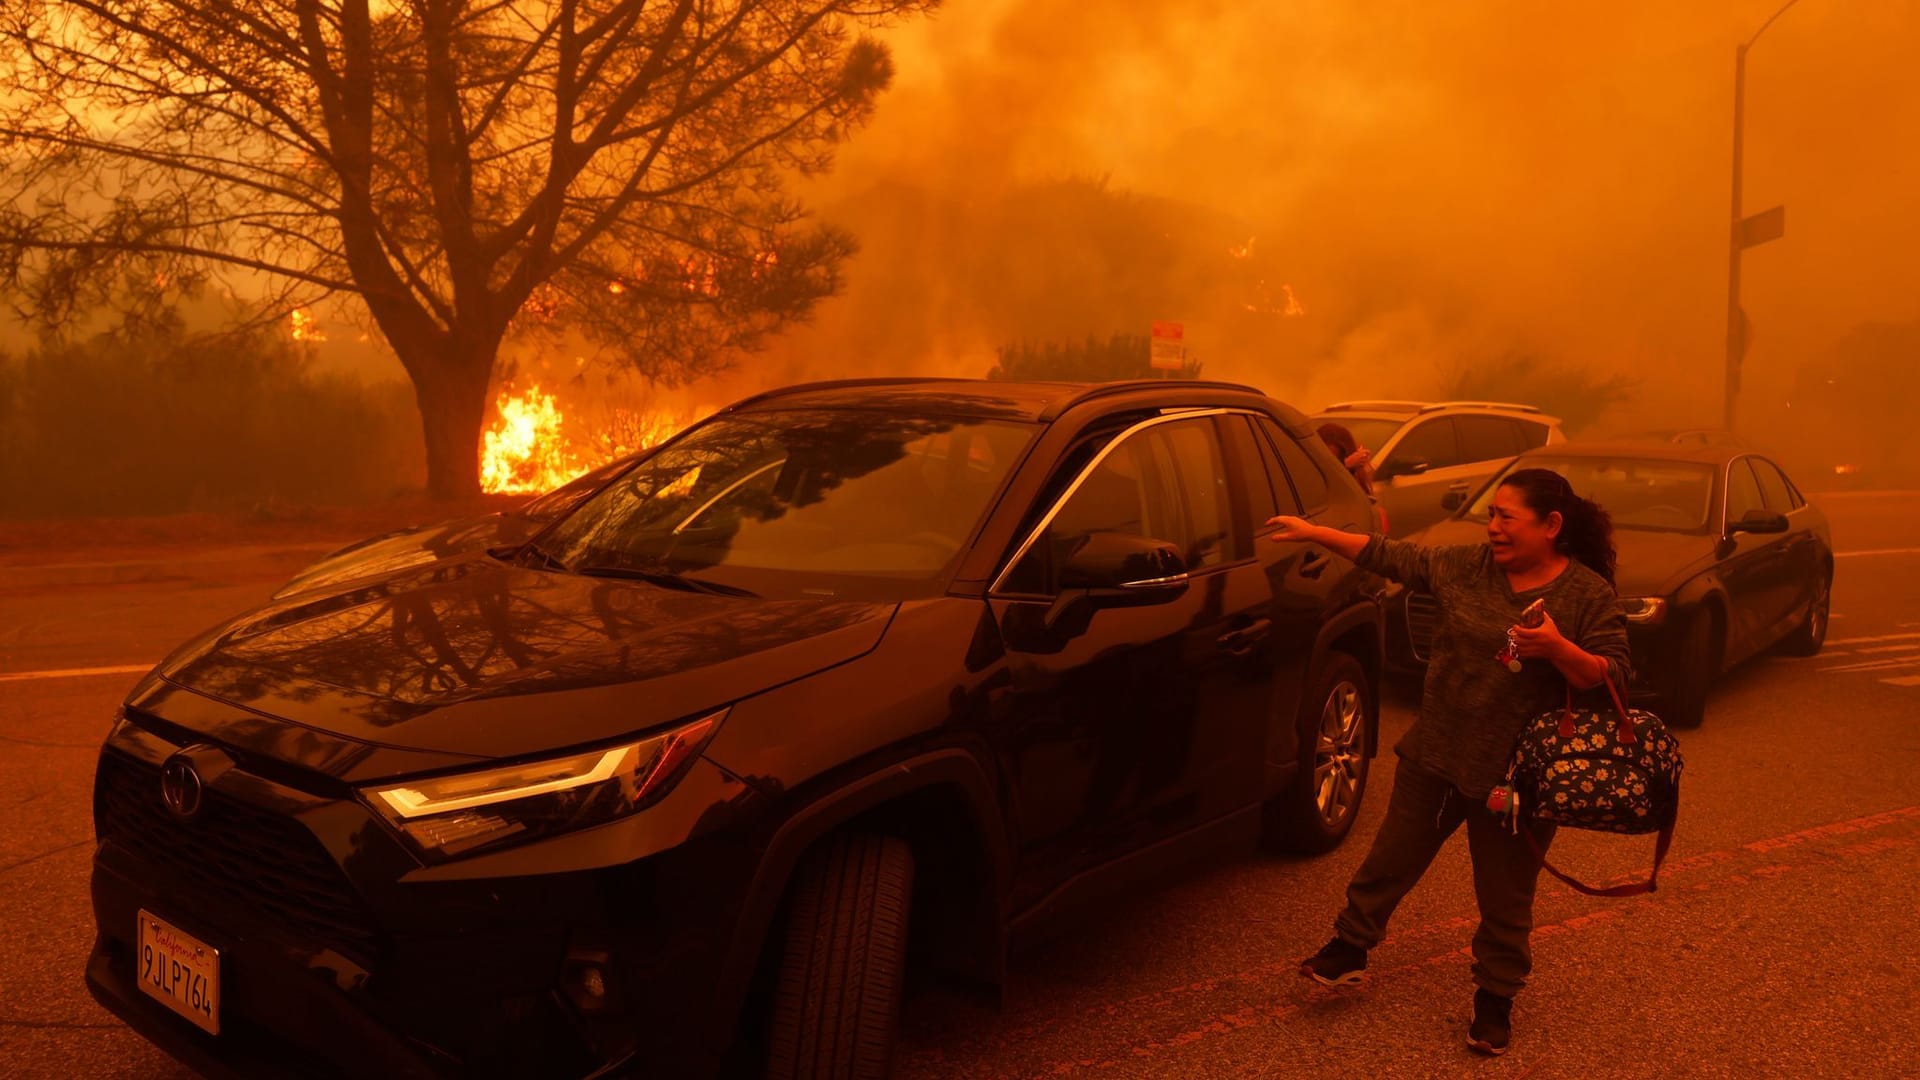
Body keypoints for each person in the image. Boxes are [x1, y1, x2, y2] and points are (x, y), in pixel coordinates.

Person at [1266, 467, 1631, 1056]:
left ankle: (1494, 1000)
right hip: (1436, 754)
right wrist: (1316, 533)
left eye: (1506, 517)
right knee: (1389, 859)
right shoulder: (1466, 567)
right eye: (1490, 515)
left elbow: (1615, 676)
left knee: (1506, 897)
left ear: (1552, 525)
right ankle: (1349, 949)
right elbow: (1392, 556)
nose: (1493, 528)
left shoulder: (1587, 594)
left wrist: (1557, 648)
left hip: (1517, 783)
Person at [1316, 422, 1385, 532]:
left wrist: (1350, 467)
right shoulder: (1312, 480)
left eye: (1336, 460)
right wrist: (1346, 465)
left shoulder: (1356, 481)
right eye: (1331, 462)